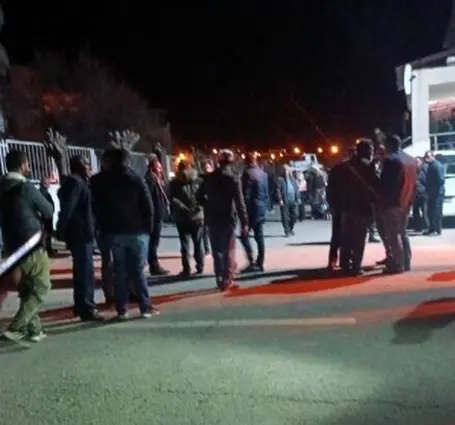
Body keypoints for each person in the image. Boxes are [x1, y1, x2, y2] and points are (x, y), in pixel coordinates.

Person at [91, 148, 158, 319]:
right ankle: (144, 306)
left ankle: (122, 309)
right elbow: (148, 207)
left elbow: (97, 207)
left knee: (119, 271)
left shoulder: (101, 181)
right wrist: (148, 230)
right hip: (138, 231)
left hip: (114, 231)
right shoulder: (137, 180)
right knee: (138, 270)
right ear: (128, 161)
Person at [0, 150, 54, 343]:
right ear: (23, 165)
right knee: (42, 287)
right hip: (31, 244)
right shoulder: (26, 187)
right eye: (28, 164)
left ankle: (35, 330)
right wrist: (44, 190)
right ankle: (17, 327)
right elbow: (48, 211)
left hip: (11, 246)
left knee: (26, 291)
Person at [57, 155, 104, 321]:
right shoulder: (76, 183)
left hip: (82, 233)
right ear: (78, 166)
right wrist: (61, 230)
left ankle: (81, 305)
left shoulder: (79, 182)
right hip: (81, 234)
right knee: (85, 272)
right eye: (86, 164)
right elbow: (68, 208)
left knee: (82, 271)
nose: (89, 167)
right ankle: (87, 307)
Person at [196, 149, 248, 291]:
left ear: (218, 161)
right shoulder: (234, 179)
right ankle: (227, 279)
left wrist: (208, 205)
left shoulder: (209, 178)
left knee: (216, 250)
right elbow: (240, 203)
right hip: (228, 218)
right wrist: (244, 222)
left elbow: (198, 196)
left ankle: (219, 277)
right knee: (228, 250)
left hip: (212, 217)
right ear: (231, 162)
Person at [339, 141, 379, 275]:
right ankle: (356, 266)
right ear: (366, 151)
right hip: (362, 207)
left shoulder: (346, 165)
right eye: (370, 150)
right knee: (359, 239)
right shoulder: (368, 166)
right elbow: (375, 184)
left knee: (346, 237)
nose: (372, 152)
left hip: (346, 206)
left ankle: (344, 264)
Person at [380, 135, 417, 273]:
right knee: (403, 232)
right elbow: (414, 183)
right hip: (406, 201)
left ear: (388, 145)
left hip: (393, 202)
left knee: (393, 234)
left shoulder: (390, 160)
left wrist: (383, 202)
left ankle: (398, 264)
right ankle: (406, 262)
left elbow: (387, 184)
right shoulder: (410, 160)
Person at [169, 160, 205, 277]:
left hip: (182, 216)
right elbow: (204, 197)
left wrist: (184, 208)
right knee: (198, 242)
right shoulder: (198, 180)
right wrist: (198, 208)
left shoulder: (174, 182)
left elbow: (172, 198)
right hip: (197, 216)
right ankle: (200, 266)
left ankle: (186, 268)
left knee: (184, 243)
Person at [90, 150, 115, 307]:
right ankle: (111, 293)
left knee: (110, 260)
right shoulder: (99, 181)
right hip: (107, 225)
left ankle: (112, 293)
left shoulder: (96, 181)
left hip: (107, 225)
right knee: (110, 260)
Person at [240, 152, 269, 273]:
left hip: (251, 208)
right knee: (259, 236)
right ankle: (260, 262)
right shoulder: (263, 173)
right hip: (261, 207)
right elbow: (266, 192)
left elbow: (245, 194)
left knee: (244, 235)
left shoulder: (247, 174)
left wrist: (243, 211)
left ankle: (251, 261)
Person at [326, 147, 355, 270]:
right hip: (345, 206)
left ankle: (335, 260)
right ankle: (344, 259)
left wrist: (332, 205)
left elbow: (329, 189)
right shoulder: (347, 168)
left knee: (338, 235)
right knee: (346, 235)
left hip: (342, 206)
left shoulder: (337, 168)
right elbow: (330, 189)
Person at [144, 154, 169, 276]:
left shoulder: (157, 179)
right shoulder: (150, 180)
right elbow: (148, 198)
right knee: (153, 241)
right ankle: (153, 265)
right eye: (158, 167)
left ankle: (153, 263)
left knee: (154, 241)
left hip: (158, 214)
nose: (161, 169)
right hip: (154, 215)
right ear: (152, 168)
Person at [423, 151, 445, 236]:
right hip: (431, 192)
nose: (426, 159)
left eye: (428, 157)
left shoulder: (436, 165)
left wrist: (434, 188)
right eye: (425, 157)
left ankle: (437, 230)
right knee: (430, 211)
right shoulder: (431, 165)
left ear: (433, 157)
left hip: (437, 193)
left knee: (436, 212)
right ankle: (431, 229)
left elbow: (441, 179)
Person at [276, 165, 299, 236]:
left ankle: (290, 228)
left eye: (287, 170)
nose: (286, 171)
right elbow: (278, 190)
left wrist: (298, 198)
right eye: (285, 170)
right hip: (285, 200)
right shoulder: (280, 179)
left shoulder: (293, 179)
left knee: (295, 215)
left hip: (293, 200)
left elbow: (296, 188)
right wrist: (280, 199)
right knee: (285, 217)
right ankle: (287, 231)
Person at [39, 174, 56, 257]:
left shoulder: (44, 191)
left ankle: (49, 248)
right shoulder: (42, 192)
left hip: (47, 216)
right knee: (46, 233)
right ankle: (47, 249)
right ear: (44, 183)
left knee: (48, 233)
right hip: (45, 217)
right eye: (48, 182)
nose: (49, 184)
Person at [200, 158, 214, 255]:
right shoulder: (201, 180)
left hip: (214, 208)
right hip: (205, 208)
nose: (206, 170)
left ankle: (214, 248)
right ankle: (207, 250)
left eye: (208, 168)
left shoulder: (215, 179)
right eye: (204, 168)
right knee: (205, 230)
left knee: (214, 230)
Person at [412, 157, 429, 233]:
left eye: (418, 162)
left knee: (425, 211)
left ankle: (427, 227)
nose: (416, 163)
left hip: (423, 194)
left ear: (421, 163)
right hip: (415, 194)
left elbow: (427, 182)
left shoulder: (424, 171)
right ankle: (417, 227)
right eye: (415, 162)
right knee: (415, 212)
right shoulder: (413, 171)